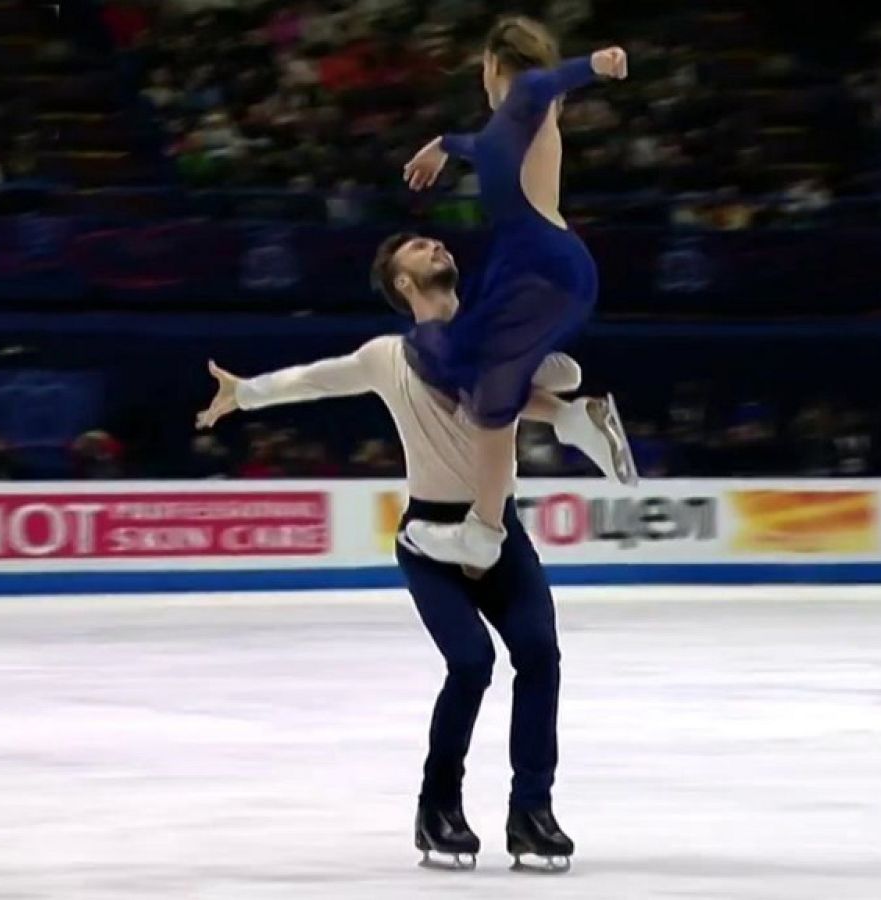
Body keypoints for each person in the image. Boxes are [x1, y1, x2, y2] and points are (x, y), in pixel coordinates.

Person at [194, 234, 625, 873]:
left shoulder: (489, 337)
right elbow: (317, 380)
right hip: (429, 539)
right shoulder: (388, 356)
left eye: (435, 241)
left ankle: (531, 810)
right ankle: (438, 806)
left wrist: (543, 372)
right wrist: (246, 393)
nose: (434, 245)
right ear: (402, 284)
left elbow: (561, 372)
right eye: (418, 248)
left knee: (539, 654)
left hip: (498, 530)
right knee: (472, 662)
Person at [398, 16, 633, 570]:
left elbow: (552, 80)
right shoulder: (509, 124)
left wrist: (600, 63)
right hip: (538, 268)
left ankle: (483, 530)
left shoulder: (528, 94)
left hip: (537, 268)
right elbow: (478, 144)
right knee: (453, 367)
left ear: (491, 65)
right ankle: (571, 414)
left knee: (485, 395)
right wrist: (443, 145)